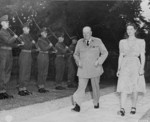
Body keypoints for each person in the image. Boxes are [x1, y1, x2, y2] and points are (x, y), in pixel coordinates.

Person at [72, 26, 108, 112]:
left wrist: (99, 61)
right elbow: (75, 54)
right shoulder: (80, 42)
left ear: (91, 33)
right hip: (83, 68)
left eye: (87, 32)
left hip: (95, 68)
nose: (85, 35)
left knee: (95, 87)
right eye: (84, 33)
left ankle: (96, 102)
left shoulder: (98, 41)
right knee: (81, 87)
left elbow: (105, 52)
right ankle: (77, 104)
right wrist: (78, 61)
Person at [116, 23, 146, 116]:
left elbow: (142, 55)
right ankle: (122, 108)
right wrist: (119, 69)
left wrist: (142, 68)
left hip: (135, 64)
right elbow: (121, 56)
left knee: (135, 87)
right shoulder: (122, 42)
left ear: (135, 30)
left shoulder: (141, 41)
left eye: (131, 29)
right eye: (128, 29)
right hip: (125, 64)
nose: (129, 31)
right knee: (123, 86)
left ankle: (134, 106)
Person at [0, 15, 19, 99]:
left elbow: (10, 44)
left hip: (9, 52)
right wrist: (14, 37)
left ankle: (4, 91)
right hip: (3, 53)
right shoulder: (1, 32)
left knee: (8, 71)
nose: (8, 23)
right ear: (2, 23)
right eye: (6, 22)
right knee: (2, 71)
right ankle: (1, 91)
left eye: (8, 22)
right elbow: (8, 41)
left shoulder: (7, 32)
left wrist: (17, 45)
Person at [18, 22, 35, 96]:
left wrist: (33, 43)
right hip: (24, 54)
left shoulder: (29, 36)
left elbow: (33, 47)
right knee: (23, 71)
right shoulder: (21, 37)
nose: (28, 29)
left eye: (28, 28)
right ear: (23, 29)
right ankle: (20, 89)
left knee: (28, 71)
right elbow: (26, 46)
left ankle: (25, 88)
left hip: (29, 54)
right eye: (26, 28)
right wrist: (32, 43)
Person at [37, 27, 53, 93]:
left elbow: (47, 50)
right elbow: (43, 48)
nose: (46, 33)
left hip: (46, 56)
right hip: (42, 56)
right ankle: (40, 87)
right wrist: (49, 46)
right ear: (41, 33)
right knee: (41, 71)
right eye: (44, 32)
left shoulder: (46, 40)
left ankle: (43, 86)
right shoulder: (40, 40)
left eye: (46, 32)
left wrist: (51, 51)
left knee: (45, 72)